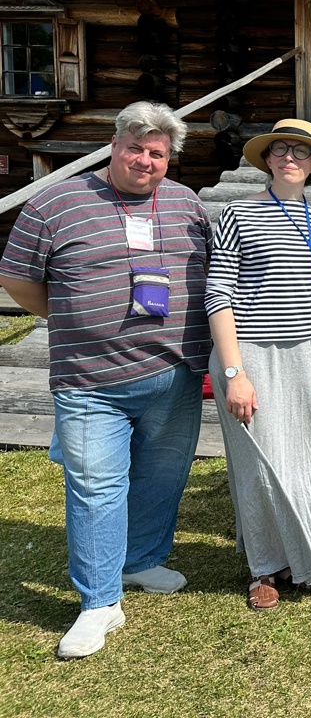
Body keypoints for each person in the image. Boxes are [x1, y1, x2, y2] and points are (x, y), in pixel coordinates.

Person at [0, 102, 211, 658]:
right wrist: (74, 313)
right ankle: (98, 602)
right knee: (95, 486)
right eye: (135, 148)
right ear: (113, 144)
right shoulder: (55, 202)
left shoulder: (187, 203)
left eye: (157, 153)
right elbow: (18, 278)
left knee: (162, 476)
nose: (145, 160)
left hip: (174, 373)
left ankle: (141, 560)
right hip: (89, 378)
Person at [206, 118, 311, 612]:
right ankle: (264, 566)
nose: (289, 158)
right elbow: (219, 295)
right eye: (279, 150)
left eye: (300, 152)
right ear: (267, 159)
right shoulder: (237, 213)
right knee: (261, 464)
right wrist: (235, 374)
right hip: (252, 355)